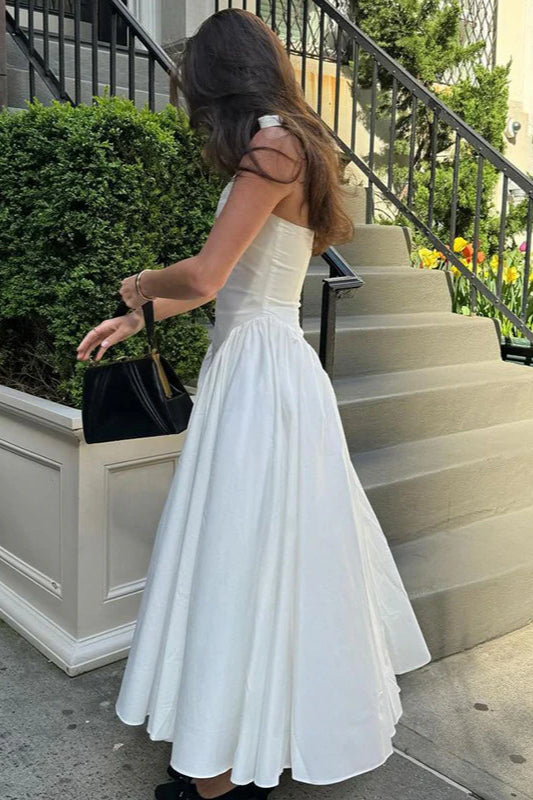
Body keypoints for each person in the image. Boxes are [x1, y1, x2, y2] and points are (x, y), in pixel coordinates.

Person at [76, 8, 431, 800]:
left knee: (238, 553)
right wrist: (137, 317)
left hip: (259, 376)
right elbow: (228, 285)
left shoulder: (271, 147)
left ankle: (222, 772)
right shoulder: (286, 144)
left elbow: (204, 274)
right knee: (261, 554)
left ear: (217, 80)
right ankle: (241, 751)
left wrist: (141, 283)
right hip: (265, 366)